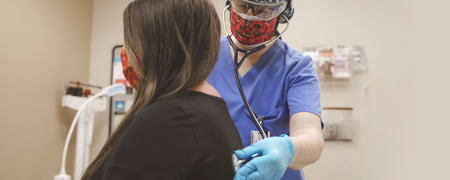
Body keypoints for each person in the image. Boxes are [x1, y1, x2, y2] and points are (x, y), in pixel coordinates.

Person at [81, 0, 243, 179]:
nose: (127, 53)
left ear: (157, 48)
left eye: (132, 42)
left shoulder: (168, 118)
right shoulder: (207, 106)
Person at [207, 0, 325, 179]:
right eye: (242, 5)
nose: (248, 15)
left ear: (282, 13)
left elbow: (312, 138)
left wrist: (288, 149)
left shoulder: (296, 68)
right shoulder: (203, 57)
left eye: (262, 10)